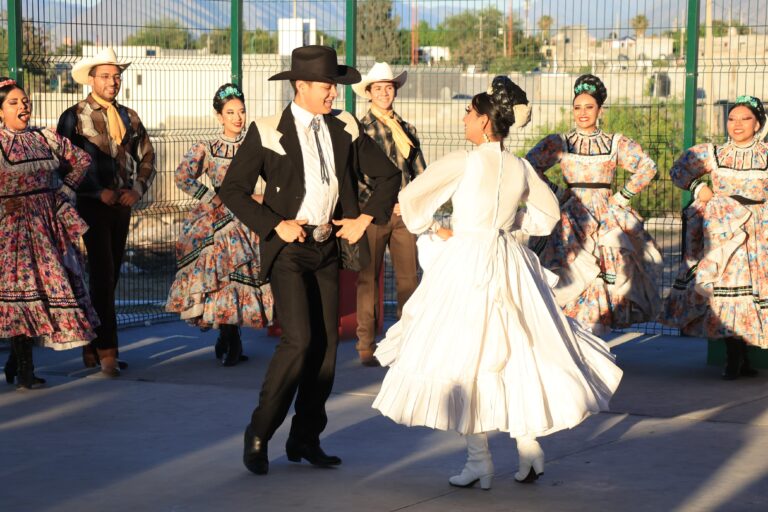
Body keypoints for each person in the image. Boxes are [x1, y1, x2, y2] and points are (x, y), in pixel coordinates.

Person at [372, 76, 623, 490]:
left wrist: (433, 227)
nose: (464, 117)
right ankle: (527, 447)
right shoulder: (521, 166)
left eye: (470, 112)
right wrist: (508, 226)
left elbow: (412, 201)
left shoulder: (465, 161)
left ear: (486, 122)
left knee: (464, 358)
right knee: (518, 351)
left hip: (466, 262)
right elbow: (547, 216)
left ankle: (479, 460)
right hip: (508, 260)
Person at [219, 45, 401, 475]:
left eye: (334, 87)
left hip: (327, 247)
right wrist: (273, 225)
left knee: (324, 351)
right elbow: (233, 189)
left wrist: (364, 218)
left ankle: (305, 438)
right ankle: (260, 431)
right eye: (326, 87)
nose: (333, 95)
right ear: (300, 86)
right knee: (298, 341)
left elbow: (389, 174)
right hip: (289, 249)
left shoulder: (345, 127)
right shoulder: (266, 130)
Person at [525, 74, 662, 335]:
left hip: (606, 217)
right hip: (571, 218)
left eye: (589, 107)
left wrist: (621, 197)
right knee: (570, 279)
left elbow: (647, 167)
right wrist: (557, 192)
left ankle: (595, 345)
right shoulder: (560, 142)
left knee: (602, 279)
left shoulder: (614, 143)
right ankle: (573, 346)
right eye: (577, 107)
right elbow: (529, 166)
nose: (583, 113)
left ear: (600, 109)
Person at [57, 47, 156, 377]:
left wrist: (136, 189)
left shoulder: (128, 116)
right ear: (91, 79)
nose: (113, 82)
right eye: (106, 76)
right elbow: (62, 163)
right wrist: (96, 191)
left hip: (121, 206)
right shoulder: (73, 117)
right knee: (101, 272)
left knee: (109, 277)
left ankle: (91, 342)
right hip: (90, 205)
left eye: (116, 76)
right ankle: (108, 353)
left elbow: (147, 156)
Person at [0, 77, 99, 389]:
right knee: (20, 297)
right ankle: (25, 367)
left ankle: (17, 361)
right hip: (12, 233)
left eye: (25, 101)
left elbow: (82, 160)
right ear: (0, 111)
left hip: (45, 229)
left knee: (44, 294)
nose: (23, 106)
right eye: (14, 103)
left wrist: (65, 190)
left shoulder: (44, 138)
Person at [166, 83, 274, 366]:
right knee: (221, 277)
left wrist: (263, 197)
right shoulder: (208, 147)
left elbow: (275, 176)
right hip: (217, 219)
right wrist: (210, 197)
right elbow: (182, 177)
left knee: (242, 277)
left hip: (247, 217)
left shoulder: (256, 144)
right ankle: (229, 336)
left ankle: (231, 335)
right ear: (219, 116)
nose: (238, 117)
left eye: (241, 111)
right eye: (230, 112)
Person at [661, 95, 768, 379]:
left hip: (757, 233)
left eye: (745, 119)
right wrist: (699, 189)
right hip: (724, 235)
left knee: (753, 293)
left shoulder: (766, 155)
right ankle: (733, 358)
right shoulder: (714, 153)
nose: (737, 124)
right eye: (732, 118)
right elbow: (679, 169)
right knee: (728, 294)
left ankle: (743, 357)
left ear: (757, 124)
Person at [350, 62, 426, 366]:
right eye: (378, 88)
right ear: (369, 93)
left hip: (403, 213)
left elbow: (419, 172)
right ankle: (365, 343)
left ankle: (407, 340)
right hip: (373, 214)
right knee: (368, 279)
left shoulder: (407, 129)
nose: (384, 93)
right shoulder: (360, 129)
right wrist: (377, 205)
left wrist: (410, 201)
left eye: (389, 87)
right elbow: (357, 176)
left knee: (409, 279)